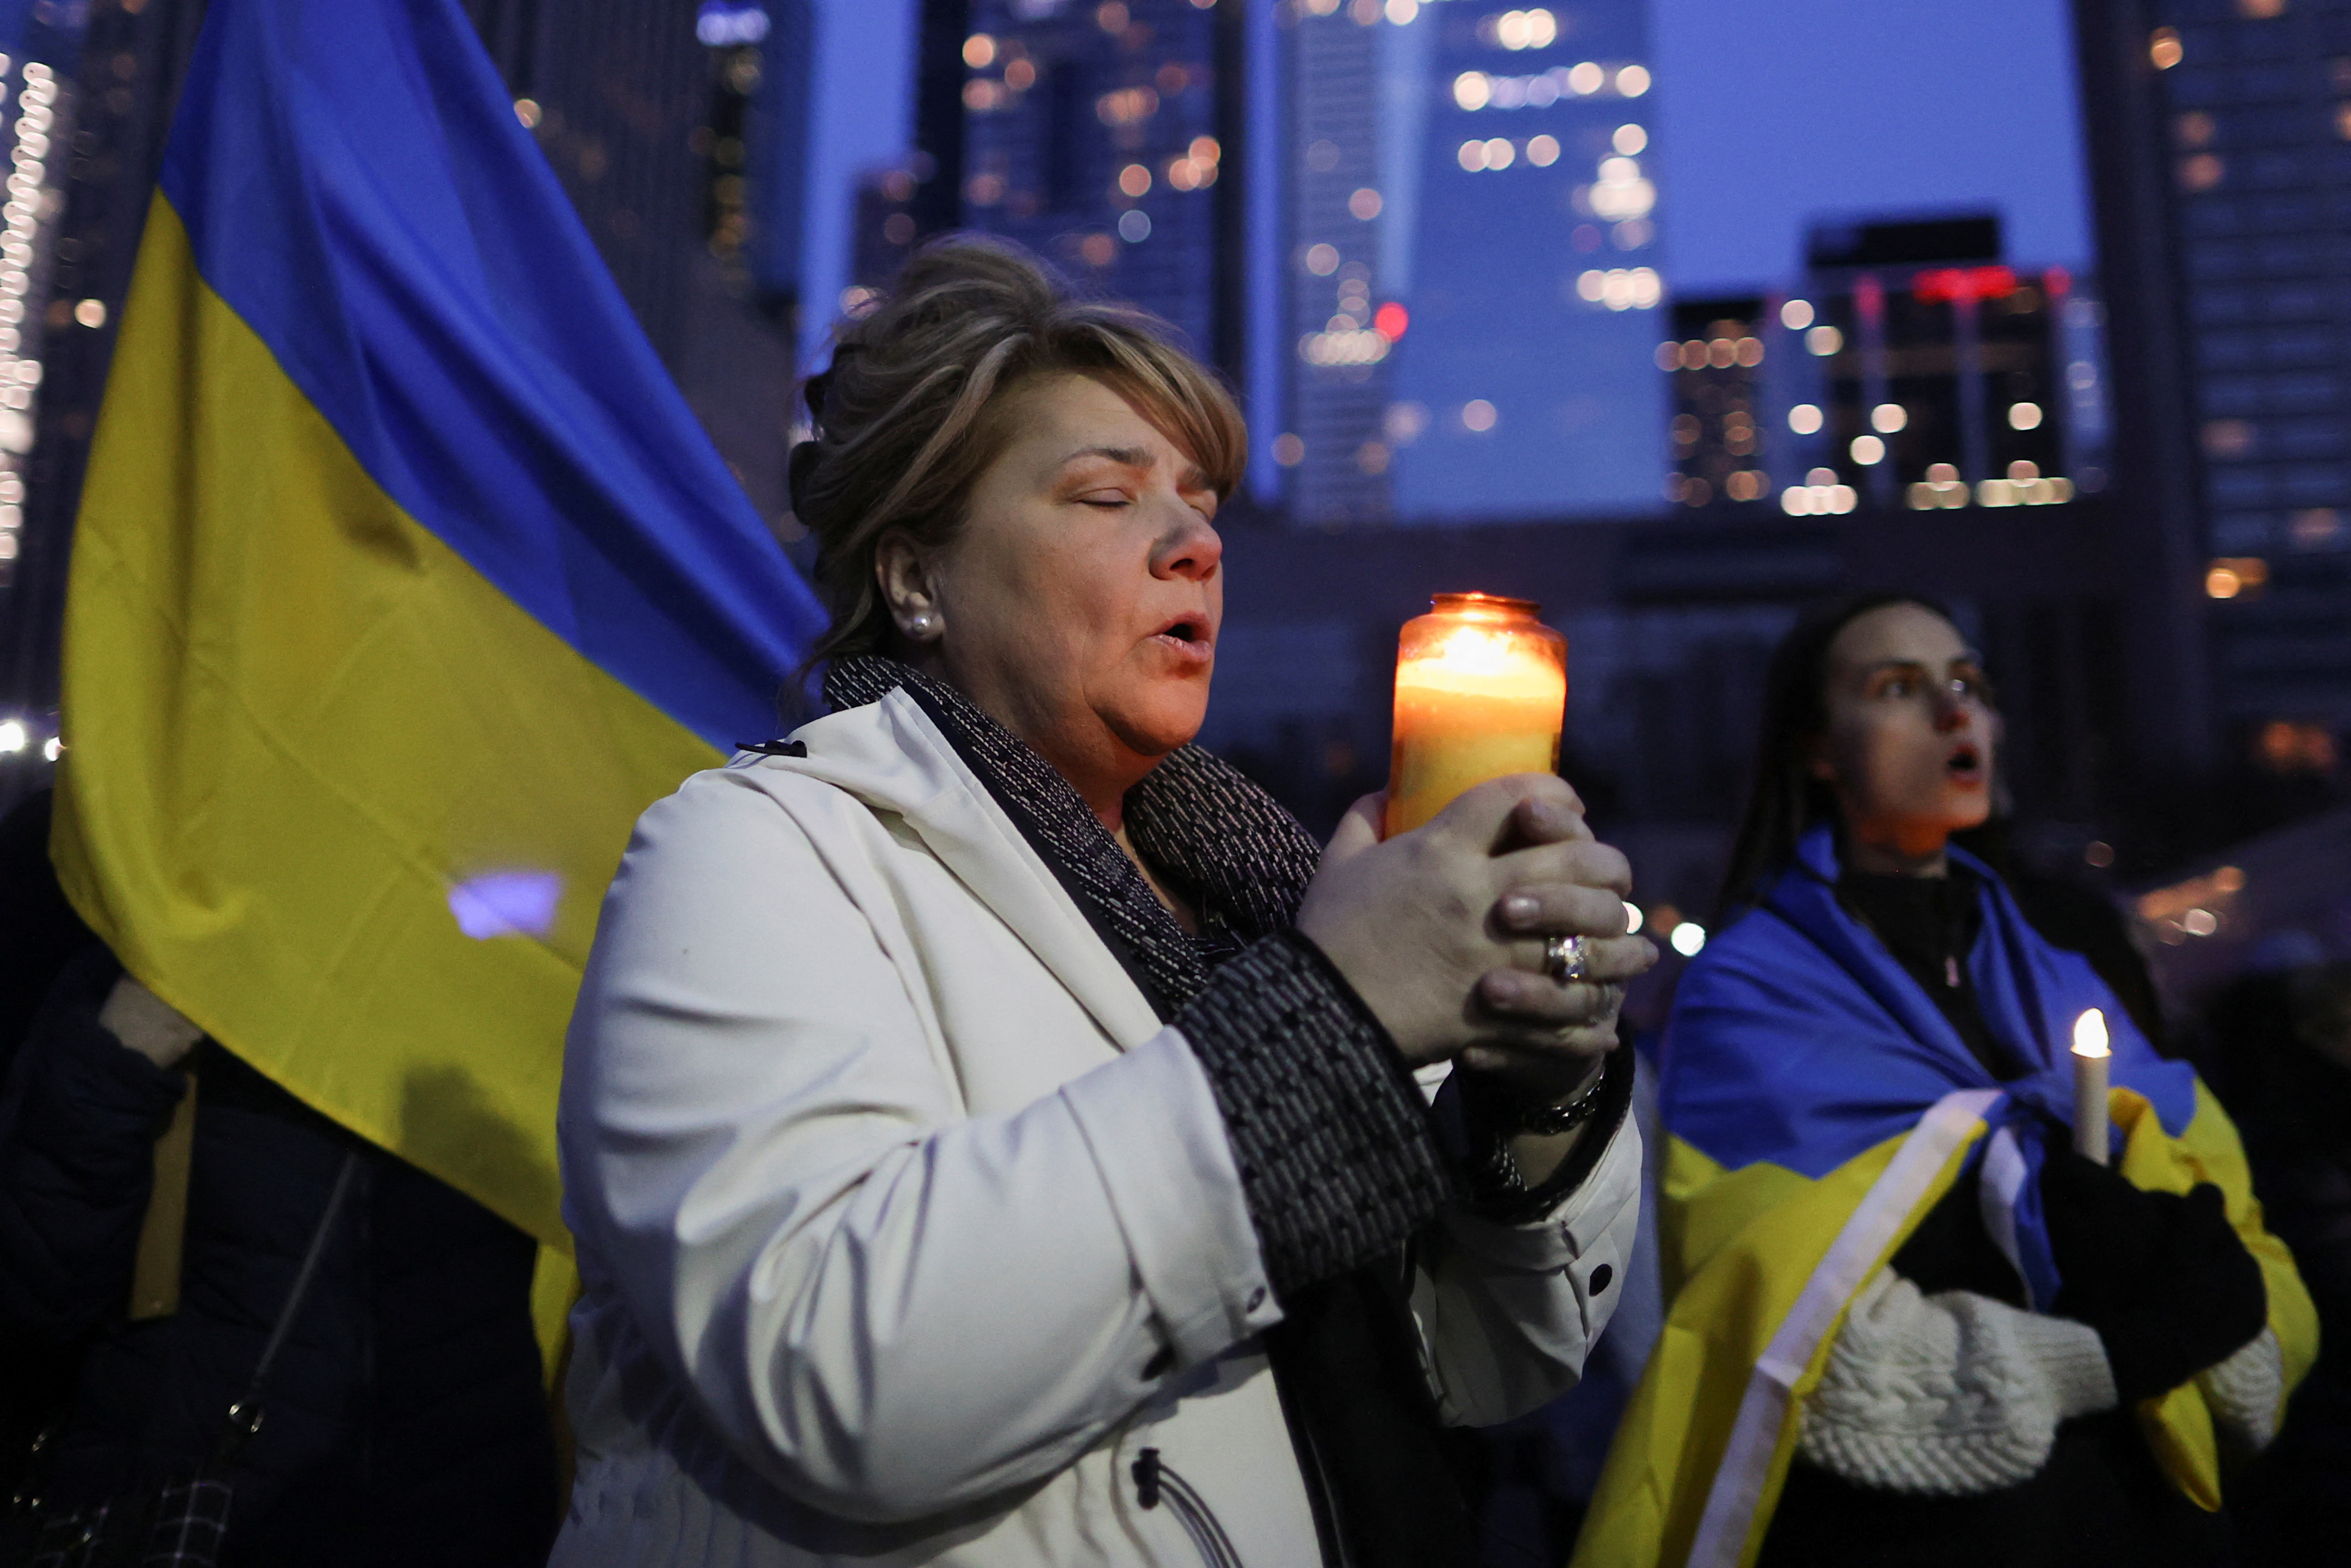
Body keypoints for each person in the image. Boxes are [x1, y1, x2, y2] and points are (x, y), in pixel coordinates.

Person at [550, 239, 1656, 1568]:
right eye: (1104, 496)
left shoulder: (1265, 899)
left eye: (1199, 503)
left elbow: (1480, 1364)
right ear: (915, 579)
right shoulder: (756, 852)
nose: (1193, 543)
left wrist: (1530, 1101)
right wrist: (1339, 1014)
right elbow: (832, 1367)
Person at [1573, 594, 2318, 1568]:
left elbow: (2248, 1260)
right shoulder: (1753, 989)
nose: (1952, 712)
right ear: (1818, 750)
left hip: (2145, 1523)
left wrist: (2222, 1309)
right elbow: (1794, 1341)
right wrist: (2118, 1354)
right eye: (1897, 688)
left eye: (1968, 685)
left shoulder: (2070, 955)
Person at [0, 788, 561, 1566]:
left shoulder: (519, 982)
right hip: (195, 1509)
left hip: (449, 1516)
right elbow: (32, 1293)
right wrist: (118, 1062)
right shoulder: (156, 950)